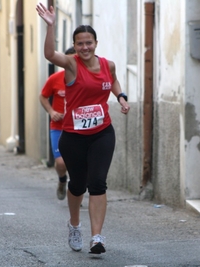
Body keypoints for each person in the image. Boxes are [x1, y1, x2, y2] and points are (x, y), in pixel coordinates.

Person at [36, 3, 130, 254]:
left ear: (96, 43)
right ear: (75, 46)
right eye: (80, 43)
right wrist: (51, 26)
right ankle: (74, 225)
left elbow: (114, 82)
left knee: (98, 182)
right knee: (78, 184)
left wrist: (121, 96)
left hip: (102, 133)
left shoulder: (108, 65)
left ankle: (97, 237)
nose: (85, 47)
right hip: (74, 137)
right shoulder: (70, 64)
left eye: (89, 42)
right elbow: (49, 55)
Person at [39, 47, 75, 201]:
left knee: (76, 163)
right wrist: (52, 112)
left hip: (78, 128)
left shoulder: (85, 79)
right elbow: (43, 96)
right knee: (61, 162)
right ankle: (62, 180)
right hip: (58, 127)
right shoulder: (55, 79)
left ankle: (75, 192)